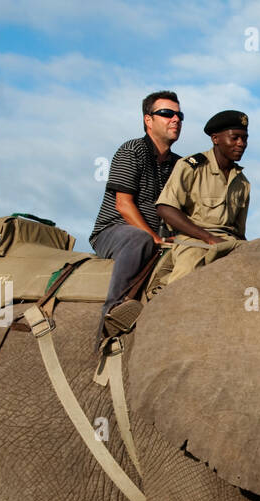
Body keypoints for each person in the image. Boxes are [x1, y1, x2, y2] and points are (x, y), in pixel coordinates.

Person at [89, 91, 183, 335]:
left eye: (179, 114)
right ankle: (113, 313)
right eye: (166, 113)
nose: (175, 119)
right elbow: (123, 204)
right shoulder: (132, 150)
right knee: (138, 239)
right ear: (148, 120)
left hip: (159, 239)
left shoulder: (181, 165)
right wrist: (153, 237)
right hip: (115, 232)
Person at [152, 110, 251, 289]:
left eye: (245, 139)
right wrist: (209, 238)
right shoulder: (191, 166)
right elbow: (165, 208)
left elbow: (239, 230)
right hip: (194, 240)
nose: (241, 144)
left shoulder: (243, 182)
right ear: (215, 139)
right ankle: (168, 311)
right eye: (235, 138)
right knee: (185, 279)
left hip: (231, 242)